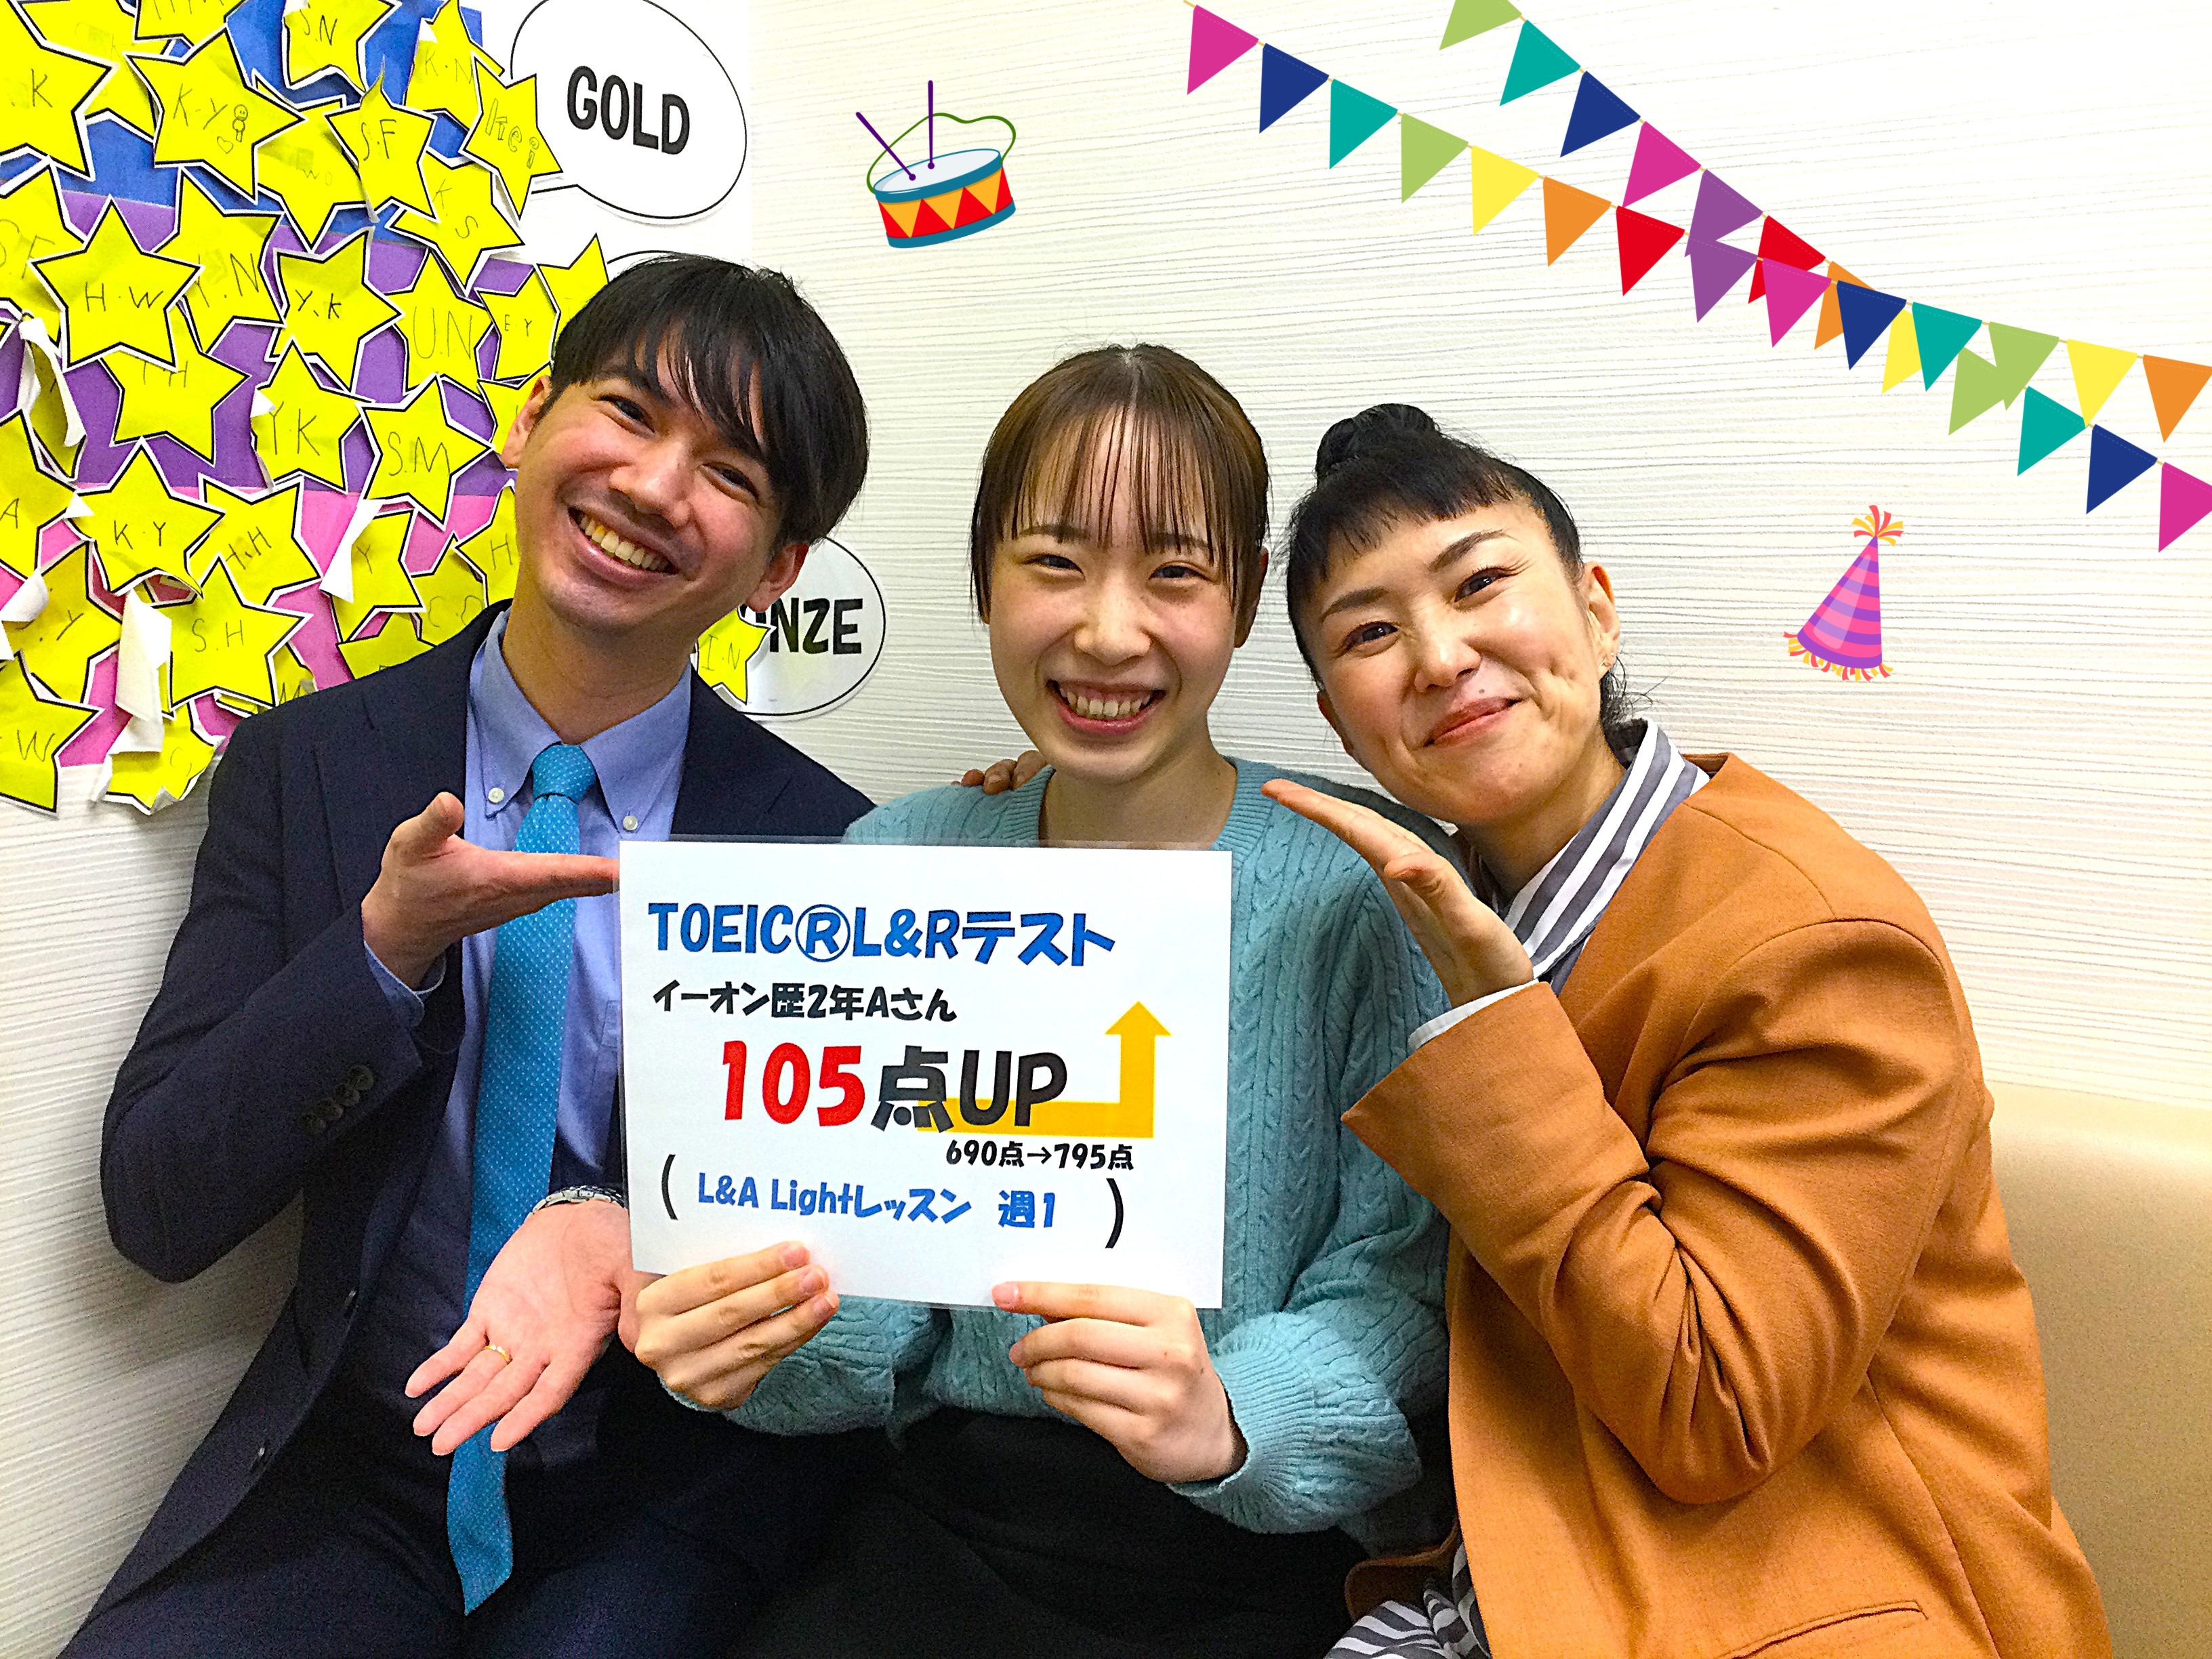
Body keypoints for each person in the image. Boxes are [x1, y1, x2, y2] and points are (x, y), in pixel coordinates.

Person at [68, 256, 880, 1658]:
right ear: (529, 419)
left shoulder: (827, 843)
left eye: (729, 474)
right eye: (627, 411)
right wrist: (381, 950)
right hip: (364, 1471)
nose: (652, 485)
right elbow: (159, 1203)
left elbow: (854, 1238)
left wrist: (625, 1222)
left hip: (659, 1483)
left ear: (779, 568)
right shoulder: (312, 767)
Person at [628, 346, 1452, 1658]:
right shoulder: (901, 857)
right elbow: (862, 1276)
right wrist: (754, 1338)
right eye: (1055, 563)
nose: (1108, 632)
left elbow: (1401, 1279)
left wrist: (1232, 1412)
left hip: (1253, 1547)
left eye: (1174, 573)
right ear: (984, 582)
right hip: (942, 1522)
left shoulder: (1367, 877)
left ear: (1245, 599)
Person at [1254, 405, 2110, 1658]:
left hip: (1802, 1603)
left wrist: (1501, 1024)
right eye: (1370, 634)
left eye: (1480, 583)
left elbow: (1714, 1412)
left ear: (1597, 611)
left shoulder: (1812, 936)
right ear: (1341, 724)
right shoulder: (1437, 910)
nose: (1438, 657)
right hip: (1513, 1577)